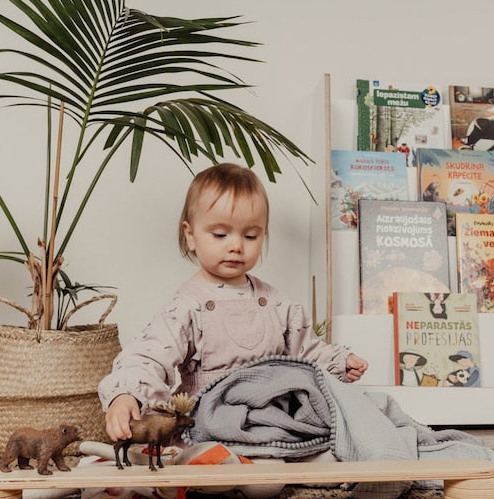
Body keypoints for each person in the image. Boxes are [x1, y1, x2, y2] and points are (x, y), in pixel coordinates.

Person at [99, 163, 368, 442]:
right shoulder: (187, 307)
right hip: (210, 420)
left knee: (332, 436)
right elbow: (149, 354)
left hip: (272, 418)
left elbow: (306, 351)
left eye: (250, 235)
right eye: (220, 235)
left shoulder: (276, 303)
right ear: (191, 235)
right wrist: (126, 393)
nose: (236, 246)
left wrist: (338, 362)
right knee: (259, 484)